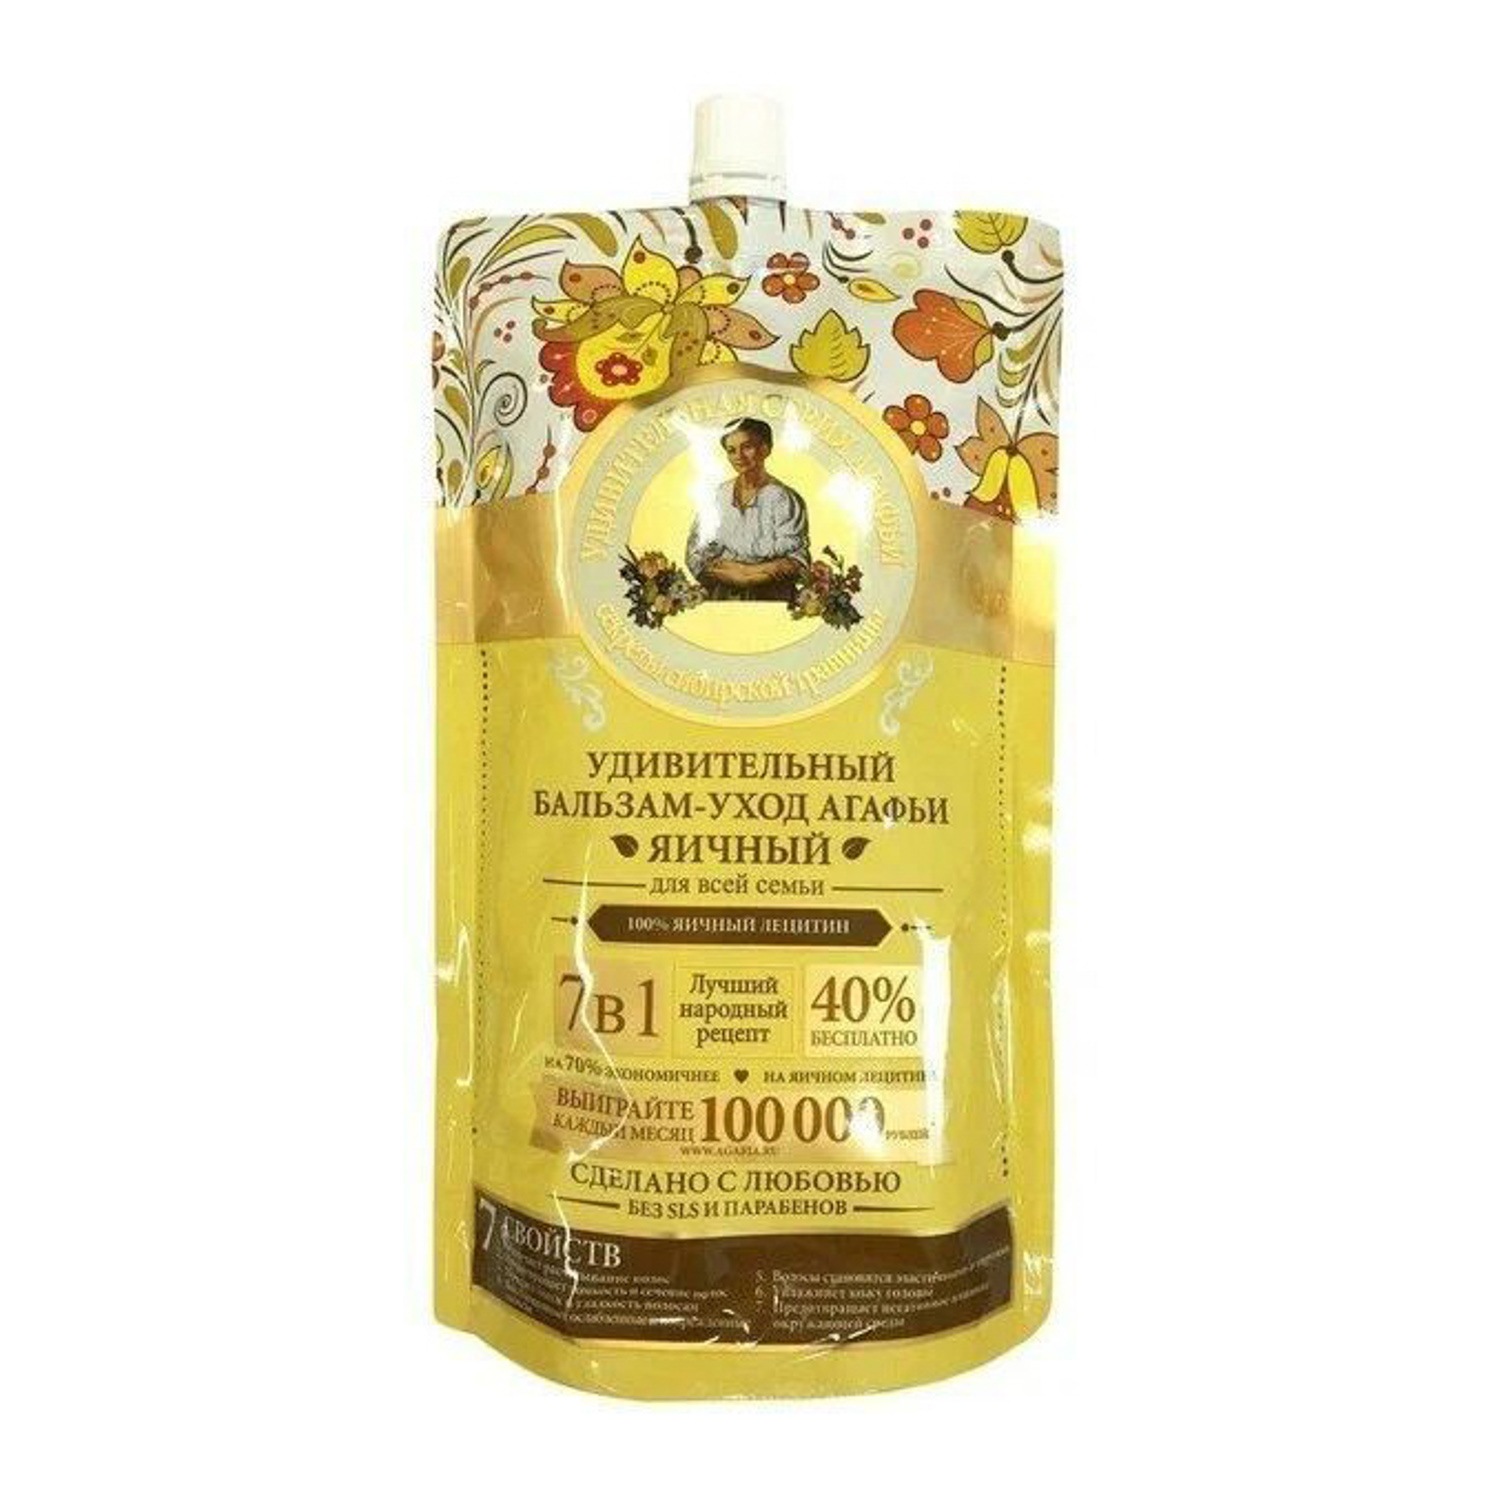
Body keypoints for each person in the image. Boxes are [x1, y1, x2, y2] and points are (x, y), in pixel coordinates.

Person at [685, 418, 811, 601]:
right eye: (731, 450)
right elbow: (697, 555)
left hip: (772, 597)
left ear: (765, 449)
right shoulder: (719, 495)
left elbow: (796, 562)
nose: (739, 456)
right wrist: (752, 571)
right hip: (723, 595)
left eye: (747, 447)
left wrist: (745, 574)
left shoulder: (784, 498)